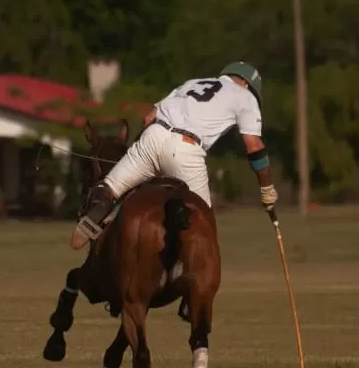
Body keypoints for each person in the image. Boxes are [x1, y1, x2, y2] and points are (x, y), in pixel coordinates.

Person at [69, 61, 279, 250]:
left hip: (153, 136)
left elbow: (149, 117)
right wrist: (267, 188)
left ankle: (90, 222)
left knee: (109, 188)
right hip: (185, 149)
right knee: (204, 226)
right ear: (245, 84)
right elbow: (253, 146)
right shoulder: (246, 97)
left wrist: (139, 155)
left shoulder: (193, 83)